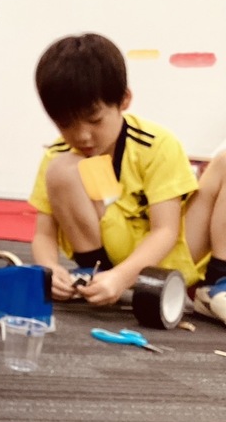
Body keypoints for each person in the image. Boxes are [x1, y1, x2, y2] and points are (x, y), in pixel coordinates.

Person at [27, 32, 226, 324]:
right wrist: (48, 269)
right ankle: (94, 270)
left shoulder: (156, 144)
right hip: (108, 257)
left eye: (94, 120)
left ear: (124, 100)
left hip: (168, 256)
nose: (82, 136)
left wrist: (123, 276)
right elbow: (44, 234)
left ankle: (217, 283)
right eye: (66, 124)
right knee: (61, 168)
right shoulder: (59, 153)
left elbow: (165, 231)